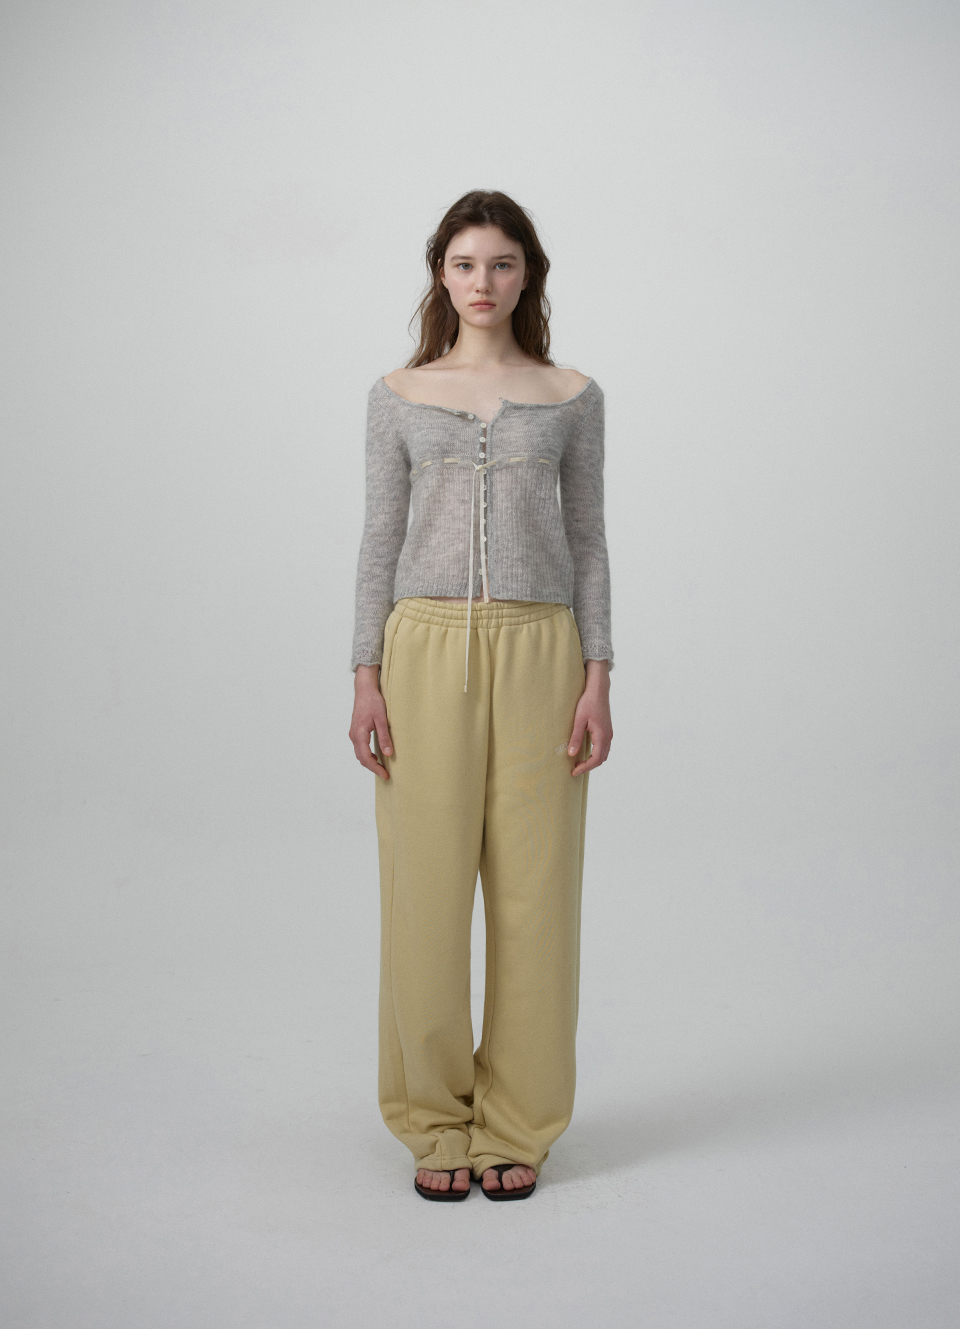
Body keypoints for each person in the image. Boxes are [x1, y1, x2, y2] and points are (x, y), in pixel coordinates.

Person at [348, 189, 613, 1202]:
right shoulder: (398, 394)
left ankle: (518, 1123)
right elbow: (379, 540)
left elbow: (589, 543)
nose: (483, 282)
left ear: (526, 272)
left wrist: (598, 675)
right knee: (423, 892)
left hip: (544, 651)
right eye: (464, 264)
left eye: (502, 263)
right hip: (421, 652)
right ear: (441, 274)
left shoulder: (573, 395)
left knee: (537, 897)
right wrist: (365, 675)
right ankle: (432, 1120)